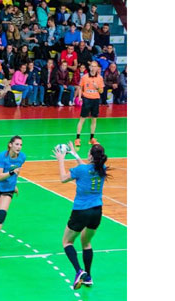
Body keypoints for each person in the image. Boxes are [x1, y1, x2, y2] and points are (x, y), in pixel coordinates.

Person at [53, 142, 109, 288]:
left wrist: (61, 160)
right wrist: (74, 154)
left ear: (90, 156)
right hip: (96, 211)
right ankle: (88, 276)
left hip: (81, 211)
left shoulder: (81, 170)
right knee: (86, 243)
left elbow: (63, 178)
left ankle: (79, 271)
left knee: (67, 242)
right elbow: (86, 167)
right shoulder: (102, 168)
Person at [75, 60, 104, 146]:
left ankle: (92, 138)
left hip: (96, 100)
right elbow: (80, 87)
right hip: (87, 99)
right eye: (92, 66)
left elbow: (101, 91)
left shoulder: (100, 78)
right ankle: (77, 138)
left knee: (94, 120)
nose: (93, 68)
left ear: (97, 68)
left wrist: (97, 87)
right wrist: (79, 97)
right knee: (82, 119)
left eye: (95, 66)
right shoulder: (84, 77)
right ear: (90, 67)